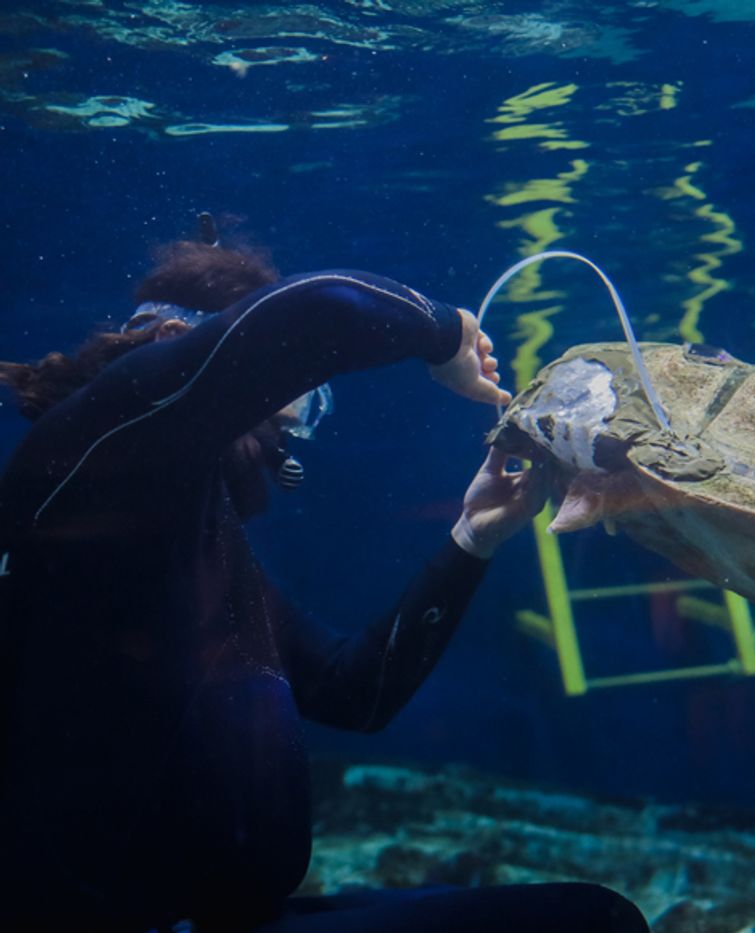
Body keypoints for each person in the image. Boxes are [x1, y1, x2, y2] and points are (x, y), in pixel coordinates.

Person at [0, 231, 650, 933]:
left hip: (220, 915)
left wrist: (472, 538)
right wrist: (444, 332)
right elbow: (314, 313)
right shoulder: (91, 459)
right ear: (180, 352)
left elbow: (353, 691)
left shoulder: (197, 533)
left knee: (589, 915)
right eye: (290, 404)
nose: (288, 439)